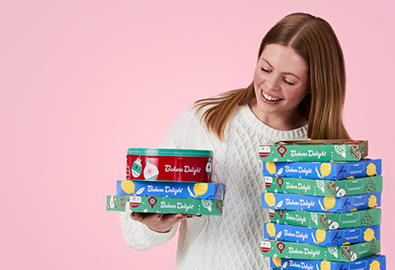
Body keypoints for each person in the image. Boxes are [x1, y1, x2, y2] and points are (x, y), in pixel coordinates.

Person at [120, 12, 351, 269]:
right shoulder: (204, 122)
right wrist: (155, 224)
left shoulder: (330, 154)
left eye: (288, 80)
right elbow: (136, 231)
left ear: (313, 84)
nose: (270, 85)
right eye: (265, 68)